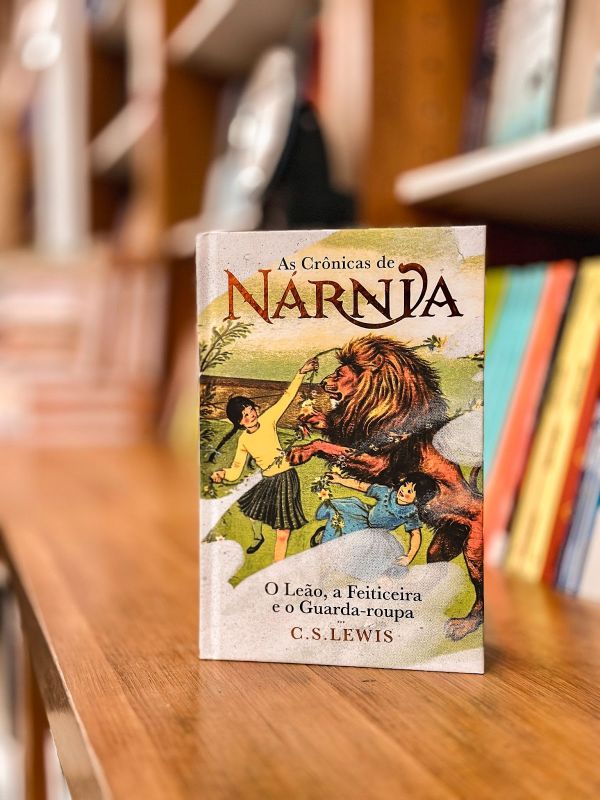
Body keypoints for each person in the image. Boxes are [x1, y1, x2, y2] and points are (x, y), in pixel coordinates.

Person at [210, 357, 318, 561]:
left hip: (285, 479)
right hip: (267, 480)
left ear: (255, 408)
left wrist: (301, 372)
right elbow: (235, 470)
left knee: (282, 533)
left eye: (250, 410)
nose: (250, 416)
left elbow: (287, 397)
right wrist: (222, 474)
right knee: (253, 510)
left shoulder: (268, 420)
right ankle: (258, 537)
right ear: (239, 423)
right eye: (244, 416)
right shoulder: (243, 440)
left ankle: (277, 568)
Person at [322, 473, 423, 566]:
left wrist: (409, 557)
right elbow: (361, 486)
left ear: (417, 498)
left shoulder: (411, 513)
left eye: (409, 491)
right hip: (363, 517)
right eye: (404, 485)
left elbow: (416, 534)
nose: (403, 490)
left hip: (377, 534)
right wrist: (340, 480)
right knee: (342, 525)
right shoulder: (386, 493)